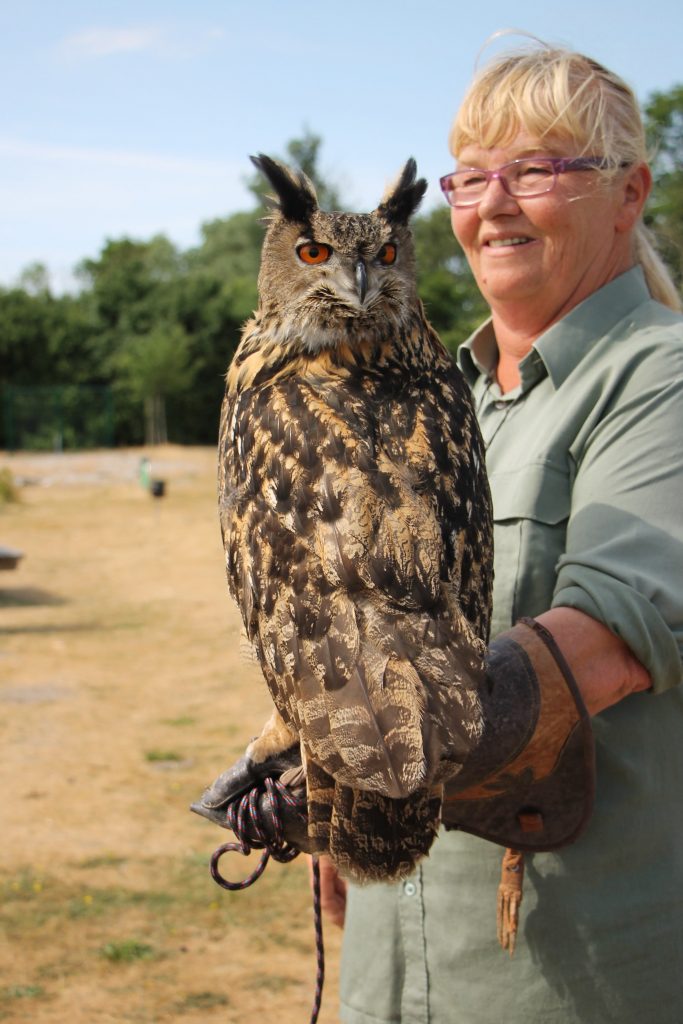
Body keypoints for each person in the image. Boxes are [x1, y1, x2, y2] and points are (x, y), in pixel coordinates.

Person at [326, 43, 683, 1023]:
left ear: (627, 192)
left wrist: (351, 745)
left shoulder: (660, 378)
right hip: (391, 968)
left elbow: (602, 645)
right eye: (472, 176)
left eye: (536, 170)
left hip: (563, 979)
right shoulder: (432, 408)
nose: (494, 203)